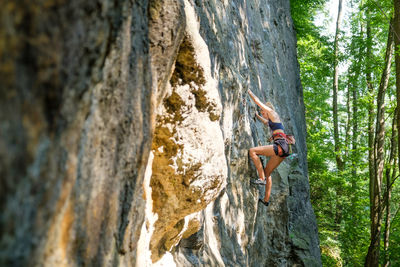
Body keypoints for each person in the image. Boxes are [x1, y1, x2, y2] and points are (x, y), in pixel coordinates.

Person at [247, 89, 290, 207]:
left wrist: (248, 90)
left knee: (252, 151)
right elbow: (266, 122)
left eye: (262, 111)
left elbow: (257, 101)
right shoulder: (273, 120)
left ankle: (261, 179)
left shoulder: (271, 112)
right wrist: (257, 116)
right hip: (285, 149)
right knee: (267, 172)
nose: (261, 113)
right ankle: (266, 200)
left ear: (266, 110)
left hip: (280, 145)